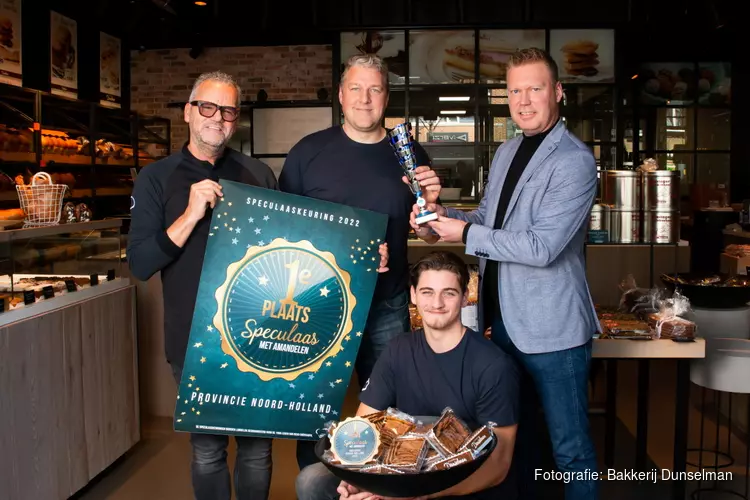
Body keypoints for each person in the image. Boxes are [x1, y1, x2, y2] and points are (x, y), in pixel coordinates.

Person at [416, 48, 600, 499]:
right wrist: (443, 216)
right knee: (513, 447)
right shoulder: (508, 150)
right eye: (515, 90)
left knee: (571, 452)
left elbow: (542, 247)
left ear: (557, 92)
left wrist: (465, 232)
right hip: (501, 329)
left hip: (553, 334)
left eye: (535, 88)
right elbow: (487, 219)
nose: (523, 100)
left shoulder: (573, 160)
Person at [279, 53, 441, 470]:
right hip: (317, 307)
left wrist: (430, 210)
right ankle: (314, 485)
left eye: (374, 89)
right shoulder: (307, 153)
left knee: (390, 410)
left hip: (385, 305)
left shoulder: (409, 153)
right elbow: (284, 234)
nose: (364, 99)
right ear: (340, 94)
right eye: (356, 88)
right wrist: (350, 251)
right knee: (315, 410)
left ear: (386, 97)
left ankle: (383, 487)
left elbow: (426, 231)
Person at [126, 71, 279, 500]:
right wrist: (191, 214)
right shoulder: (156, 178)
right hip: (193, 340)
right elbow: (140, 263)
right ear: (189, 113)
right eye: (208, 107)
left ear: (236, 120)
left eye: (228, 110)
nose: (218, 118)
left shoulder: (259, 174)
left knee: (256, 451)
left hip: (257, 337)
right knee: (208, 452)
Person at [295, 251, 519, 500]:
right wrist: (355, 479)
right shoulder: (397, 350)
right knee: (312, 481)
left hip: (455, 480)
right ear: (413, 295)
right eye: (427, 292)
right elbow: (363, 426)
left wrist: (411, 496)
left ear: (466, 297)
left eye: (449, 292)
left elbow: (498, 467)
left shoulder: (493, 365)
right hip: (401, 470)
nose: (437, 303)